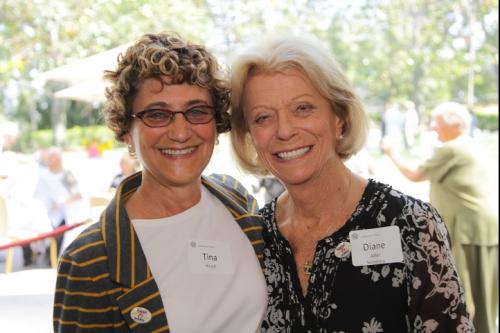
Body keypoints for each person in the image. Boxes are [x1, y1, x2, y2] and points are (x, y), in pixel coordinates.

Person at [229, 33, 473, 332]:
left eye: (302, 108)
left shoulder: (411, 225)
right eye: (263, 117)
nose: (284, 130)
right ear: (250, 134)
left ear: (339, 117)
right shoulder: (255, 238)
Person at [53, 32, 267, 333]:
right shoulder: (90, 262)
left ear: (215, 123)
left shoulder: (237, 202)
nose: (180, 132)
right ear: (127, 130)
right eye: (157, 114)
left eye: (196, 111)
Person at [383, 101, 498, 333]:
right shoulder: (467, 144)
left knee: (461, 295)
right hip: (480, 227)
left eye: (438, 122)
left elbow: (415, 175)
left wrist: (391, 154)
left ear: (455, 124)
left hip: (468, 229)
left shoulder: (452, 148)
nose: (434, 127)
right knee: (483, 297)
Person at [33, 147, 82, 256]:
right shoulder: (43, 175)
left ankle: (54, 255)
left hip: (63, 211)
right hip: (45, 210)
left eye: (53, 158)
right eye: (49, 158)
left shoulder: (66, 174)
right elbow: (37, 195)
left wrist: (62, 201)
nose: (50, 160)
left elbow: (77, 194)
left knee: (60, 228)